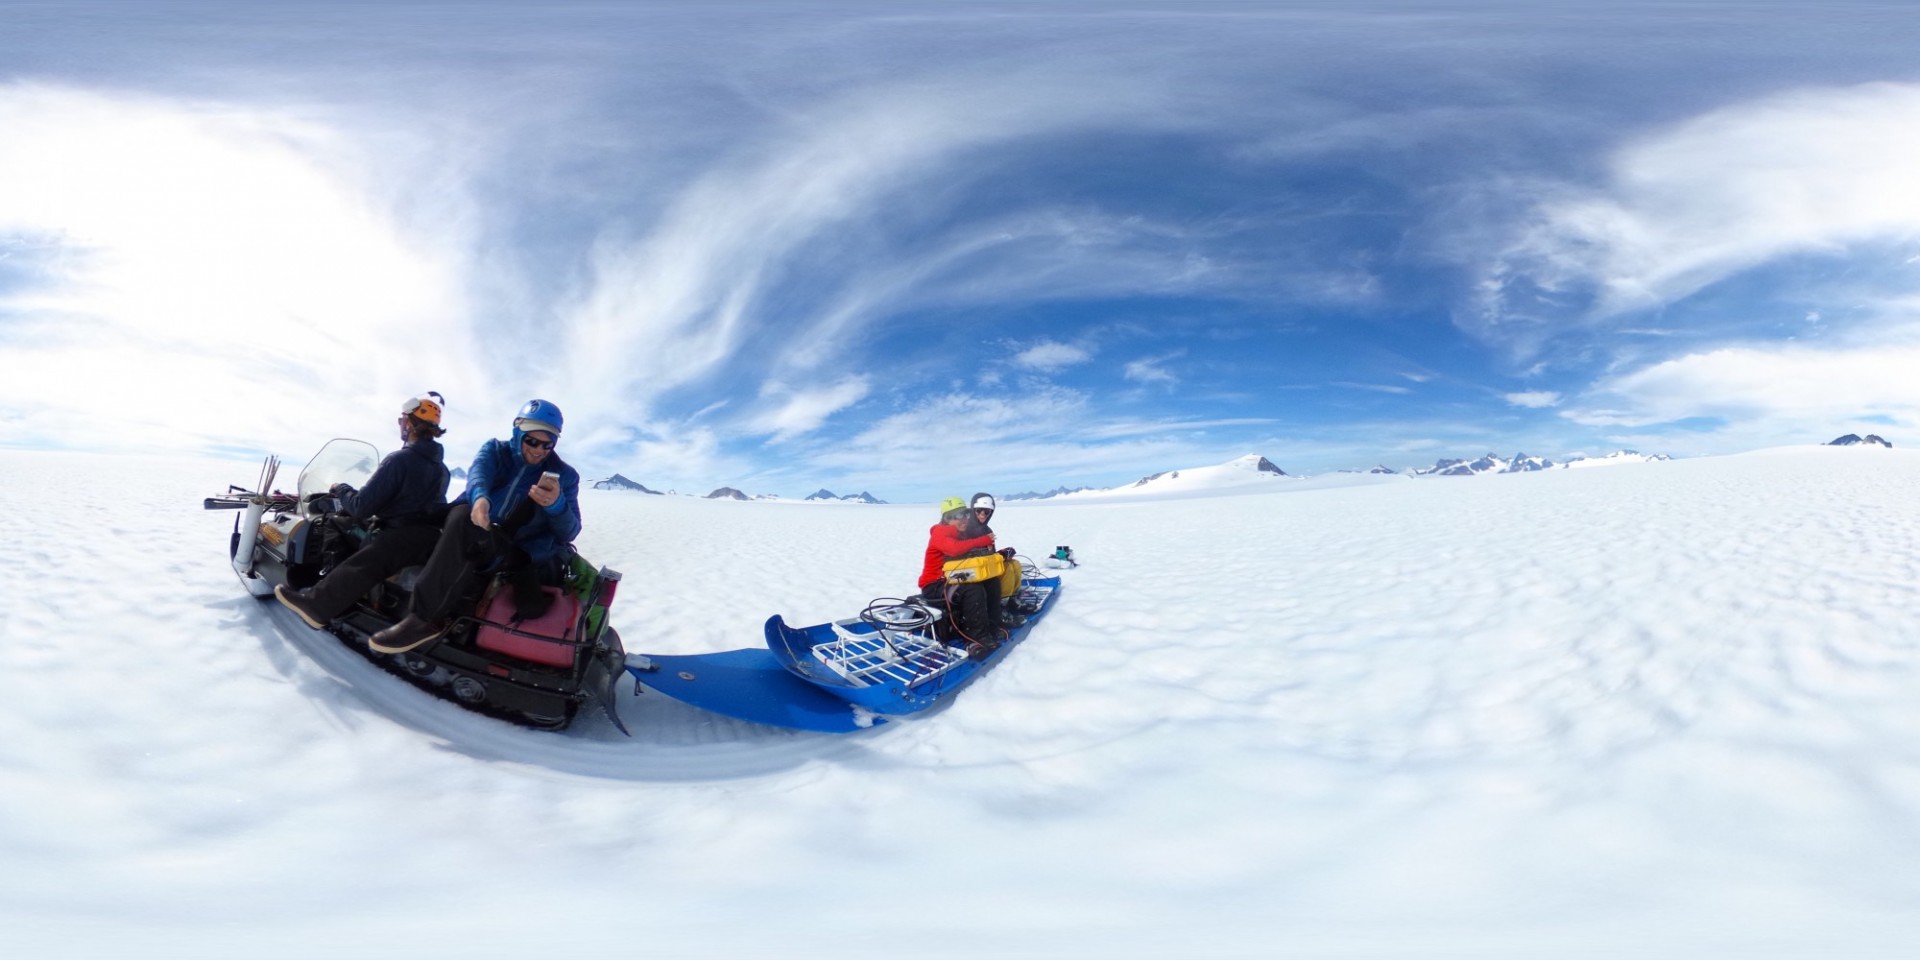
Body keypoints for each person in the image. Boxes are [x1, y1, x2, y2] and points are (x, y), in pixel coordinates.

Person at [368, 399, 583, 655]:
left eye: (548, 444)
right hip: (477, 525)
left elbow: (570, 531)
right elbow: (479, 473)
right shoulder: (496, 450)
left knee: (462, 523)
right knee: (418, 530)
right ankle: (355, 594)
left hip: (513, 549)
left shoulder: (565, 476)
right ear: (518, 432)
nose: (539, 450)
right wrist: (481, 499)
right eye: (532, 441)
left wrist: (556, 504)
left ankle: (424, 619)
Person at [274, 393, 452, 629]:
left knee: (336, 523)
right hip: (425, 539)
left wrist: (341, 488)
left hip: (396, 537)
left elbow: (361, 507)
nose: (400, 424)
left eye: (401, 420)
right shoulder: (442, 469)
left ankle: (322, 600)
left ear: (410, 423)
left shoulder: (399, 460)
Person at [918, 494, 1023, 654]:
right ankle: (976, 637)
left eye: (965, 514)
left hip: (952, 578)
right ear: (946, 518)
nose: (963, 519)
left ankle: (993, 625)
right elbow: (954, 549)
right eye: (955, 516)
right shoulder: (940, 532)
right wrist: (983, 541)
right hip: (935, 585)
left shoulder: (961, 533)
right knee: (972, 589)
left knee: (991, 581)